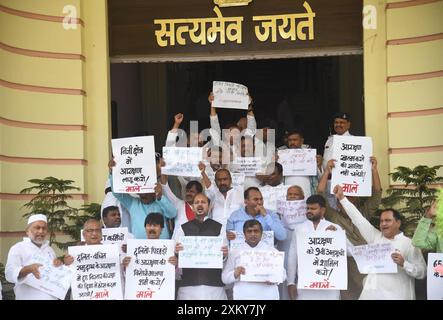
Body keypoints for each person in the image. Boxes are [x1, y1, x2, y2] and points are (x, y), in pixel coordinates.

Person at [334, 185, 426, 299]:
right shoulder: (376, 237)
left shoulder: (409, 244)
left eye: (388, 220)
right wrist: (342, 198)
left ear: (398, 223)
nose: (383, 224)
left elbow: (422, 272)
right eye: (381, 221)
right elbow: (359, 220)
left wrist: (404, 264)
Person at [317, 156, 382, 299]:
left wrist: (374, 171)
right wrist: (327, 171)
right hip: (342, 261)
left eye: (349, 197)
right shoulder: (332, 215)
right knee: (347, 295)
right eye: (342, 197)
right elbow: (320, 194)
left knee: (368, 293)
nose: (344, 199)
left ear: (357, 200)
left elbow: (377, 195)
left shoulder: (363, 213)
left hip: (365, 260)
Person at [286, 195, 343, 300]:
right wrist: (290, 282)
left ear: (323, 210)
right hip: (306, 286)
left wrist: (336, 236)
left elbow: (346, 252)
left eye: (313, 208)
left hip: (329, 287)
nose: (309, 211)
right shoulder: (299, 229)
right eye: (307, 208)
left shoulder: (335, 228)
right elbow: (292, 256)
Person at [174, 193, 229, 300]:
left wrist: (224, 254)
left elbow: (224, 255)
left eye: (203, 202)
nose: (200, 205)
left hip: (214, 284)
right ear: (193, 207)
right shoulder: (182, 228)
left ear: (209, 206)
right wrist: (177, 252)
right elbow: (176, 255)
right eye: (197, 202)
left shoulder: (219, 228)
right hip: (189, 285)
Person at [5, 214, 73, 300]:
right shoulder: (18, 248)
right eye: (37, 228)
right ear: (27, 231)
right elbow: (9, 274)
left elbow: (54, 275)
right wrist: (28, 269)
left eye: (44, 228)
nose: (41, 231)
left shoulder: (49, 250)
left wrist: (61, 264)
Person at [109, 159, 177, 240]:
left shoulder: (160, 201)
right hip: (140, 248)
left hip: (161, 248)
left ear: (153, 190)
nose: (143, 194)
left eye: (145, 191)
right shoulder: (133, 203)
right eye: (140, 192)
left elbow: (172, 214)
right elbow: (117, 193)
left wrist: (160, 197)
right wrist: (112, 172)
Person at [222, 220, 285, 300]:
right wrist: (235, 274)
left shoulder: (272, 252)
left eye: (256, 231)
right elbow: (224, 278)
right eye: (249, 231)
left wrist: (274, 279)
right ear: (244, 234)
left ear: (261, 234)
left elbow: (283, 274)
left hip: (268, 296)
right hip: (243, 296)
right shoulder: (235, 252)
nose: (253, 234)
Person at [277, 185, 305, 300]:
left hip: (303, 253)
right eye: (290, 194)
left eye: (296, 194)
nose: (292, 196)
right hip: (286, 248)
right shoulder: (279, 213)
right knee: (286, 281)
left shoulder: (309, 211)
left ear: (302, 197)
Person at [200, 164, 244, 228]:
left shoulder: (240, 196)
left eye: (225, 179)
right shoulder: (214, 194)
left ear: (230, 180)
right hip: (215, 235)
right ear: (215, 182)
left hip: (234, 235)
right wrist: (202, 172)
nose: (222, 182)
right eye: (219, 180)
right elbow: (209, 185)